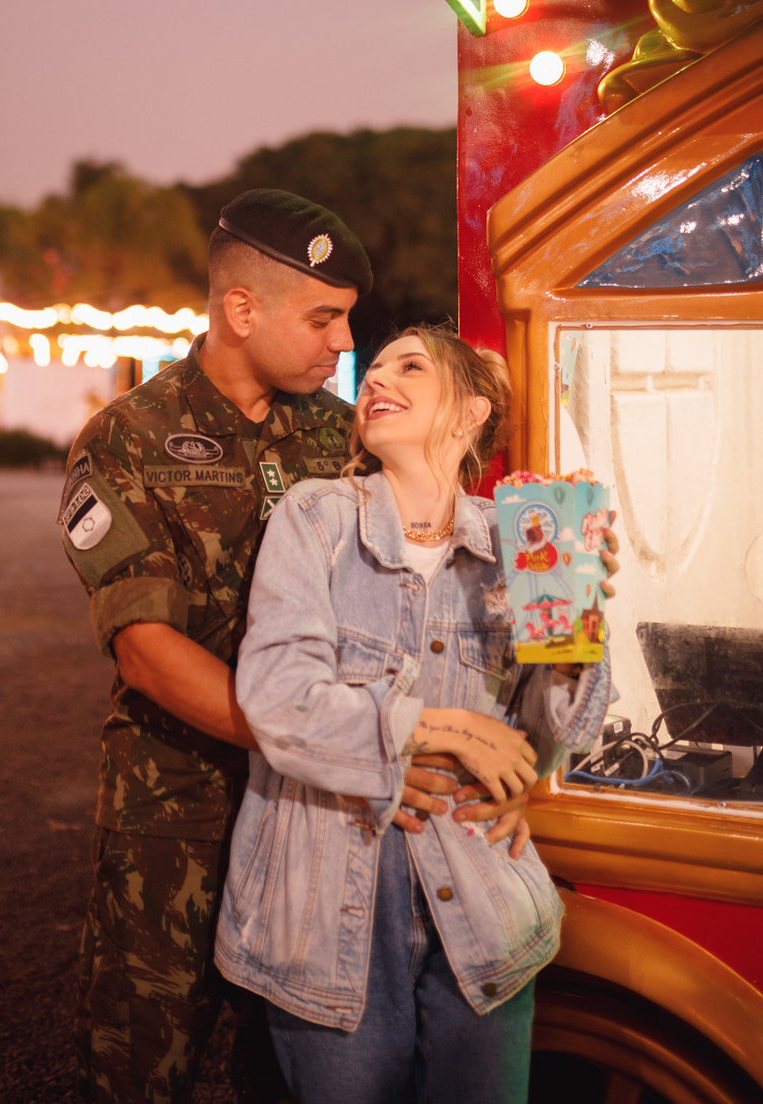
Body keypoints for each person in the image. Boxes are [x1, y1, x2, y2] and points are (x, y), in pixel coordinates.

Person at [62, 194, 526, 1103]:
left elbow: (424, 552)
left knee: (291, 1068)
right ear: (242, 311)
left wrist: (553, 553)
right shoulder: (125, 439)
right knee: (147, 1062)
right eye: (324, 317)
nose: (345, 343)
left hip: (324, 816)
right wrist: (338, 746)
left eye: (347, 318)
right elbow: (147, 652)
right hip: (185, 808)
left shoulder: (334, 431)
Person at [215, 326, 620, 1104]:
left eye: (411, 367)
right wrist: (441, 727)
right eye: (373, 370)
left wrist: (575, 635)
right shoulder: (317, 518)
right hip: (325, 921)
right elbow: (277, 697)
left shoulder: (521, 541)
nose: (375, 380)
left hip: (482, 909)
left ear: (472, 413)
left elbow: (547, 745)